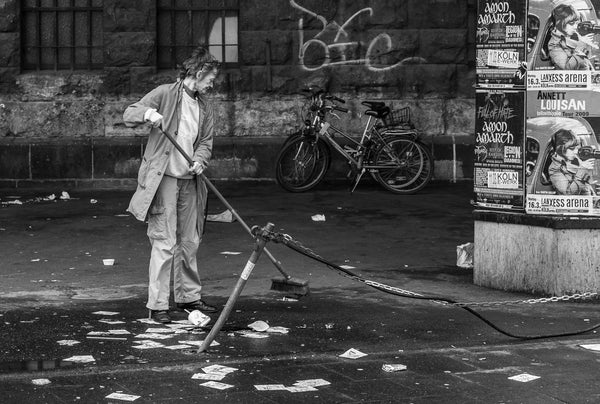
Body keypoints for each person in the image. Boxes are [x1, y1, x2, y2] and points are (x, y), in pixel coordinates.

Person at [123, 45, 220, 323]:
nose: (212, 83)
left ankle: (189, 298)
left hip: (190, 181)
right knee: (165, 242)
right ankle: (158, 305)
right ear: (199, 72)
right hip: (163, 179)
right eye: (210, 77)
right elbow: (130, 112)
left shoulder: (205, 106)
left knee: (189, 241)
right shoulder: (165, 93)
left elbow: (205, 142)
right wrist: (147, 115)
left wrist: (200, 160)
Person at [548, 3, 597, 70]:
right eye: (571, 23)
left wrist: (586, 44)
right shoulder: (554, 44)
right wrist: (579, 48)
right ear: (559, 23)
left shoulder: (573, 35)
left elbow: (586, 60)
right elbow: (567, 68)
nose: (575, 27)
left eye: (576, 23)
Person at [548, 129, 596, 195]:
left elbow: (587, 186)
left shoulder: (575, 160)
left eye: (576, 148)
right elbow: (568, 193)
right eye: (571, 148)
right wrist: (582, 170)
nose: (576, 152)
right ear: (560, 149)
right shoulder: (554, 168)